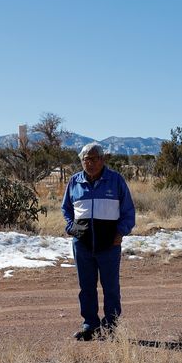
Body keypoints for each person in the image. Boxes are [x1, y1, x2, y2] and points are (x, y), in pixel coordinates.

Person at [62, 142, 136, 340]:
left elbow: (128, 212)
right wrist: (71, 228)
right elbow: (66, 209)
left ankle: (111, 327)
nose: (90, 163)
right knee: (86, 287)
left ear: (102, 160)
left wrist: (120, 233)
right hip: (82, 245)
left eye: (94, 159)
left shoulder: (116, 181)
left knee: (110, 287)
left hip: (109, 245)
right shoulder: (74, 182)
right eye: (86, 159)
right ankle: (90, 326)